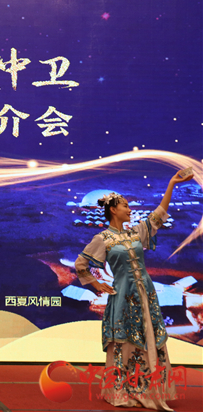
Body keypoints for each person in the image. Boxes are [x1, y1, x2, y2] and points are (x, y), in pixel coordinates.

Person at [75, 171, 193, 411]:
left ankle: (147, 389)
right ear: (113, 210)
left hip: (146, 294)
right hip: (122, 296)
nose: (130, 209)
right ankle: (122, 390)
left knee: (149, 338)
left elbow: (159, 215)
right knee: (124, 342)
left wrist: (171, 183)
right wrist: (96, 285)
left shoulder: (136, 233)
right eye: (125, 206)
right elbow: (81, 264)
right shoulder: (102, 238)